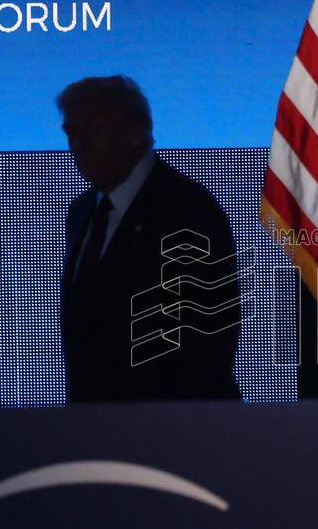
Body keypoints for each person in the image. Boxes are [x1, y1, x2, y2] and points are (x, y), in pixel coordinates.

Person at [58, 75, 241, 401]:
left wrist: (167, 426)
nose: (80, 145)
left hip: (172, 422)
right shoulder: (82, 212)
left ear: (136, 135)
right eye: (72, 133)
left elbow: (209, 339)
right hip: (93, 423)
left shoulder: (189, 210)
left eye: (95, 129)